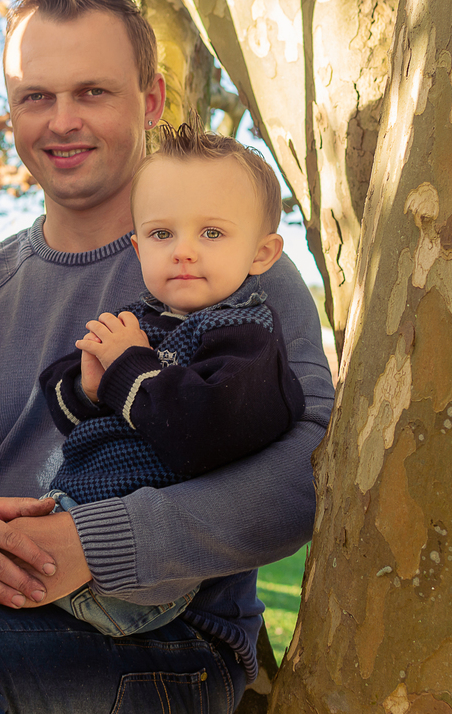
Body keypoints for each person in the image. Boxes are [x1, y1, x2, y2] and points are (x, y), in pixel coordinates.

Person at [0, 0, 334, 713]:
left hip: (173, 638)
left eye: (92, 92)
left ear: (150, 100)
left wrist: (99, 542)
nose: (63, 121)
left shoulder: (226, 265)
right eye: (36, 97)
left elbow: (311, 464)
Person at [34, 122, 306, 637]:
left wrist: (128, 369)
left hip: (136, 581)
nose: (183, 251)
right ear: (139, 249)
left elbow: (204, 431)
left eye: (212, 233)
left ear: (262, 253)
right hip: (71, 513)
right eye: (163, 234)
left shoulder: (246, 338)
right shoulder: (140, 320)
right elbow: (60, 390)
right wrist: (89, 389)